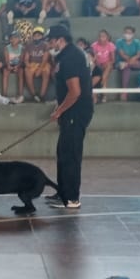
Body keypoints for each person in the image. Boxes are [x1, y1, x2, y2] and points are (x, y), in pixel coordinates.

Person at [46, 27, 93, 210]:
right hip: (69, 111)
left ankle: (71, 197)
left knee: (71, 154)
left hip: (76, 111)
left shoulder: (71, 56)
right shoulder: (64, 55)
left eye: (52, 40)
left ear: (61, 39)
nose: (50, 43)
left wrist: (59, 110)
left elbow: (75, 91)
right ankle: (62, 192)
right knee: (63, 152)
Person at [115, 26, 140, 101]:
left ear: (133, 34)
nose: (127, 34)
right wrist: (130, 61)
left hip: (132, 62)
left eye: (129, 33)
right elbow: (122, 54)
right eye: (126, 32)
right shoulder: (119, 42)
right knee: (126, 68)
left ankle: (127, 65)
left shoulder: (137, 42)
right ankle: (124, 92)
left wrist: (130, 61)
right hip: (121, 62)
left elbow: (139, 55)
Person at [23, 26, 51, 103]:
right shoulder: (29, 45)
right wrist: (27, 65)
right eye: (35, 35)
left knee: (46, 71)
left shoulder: (45, 45)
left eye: (39, 35)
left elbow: (45, 59)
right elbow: (26, 59)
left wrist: (40, 69)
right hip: (33, 63)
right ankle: (34, 95)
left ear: (42, 36)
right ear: (33, 36)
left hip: (43, 63)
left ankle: (42, 95)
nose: (37, 37)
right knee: (27, 71)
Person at [89, 29, 116, 101]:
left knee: (108, 66)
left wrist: (107, 63)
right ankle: (104, 95)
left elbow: (113, 59)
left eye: (103, 36)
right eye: (100, 36)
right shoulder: (94, 45)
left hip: (107, 65)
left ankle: (101, 82)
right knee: (105, 77)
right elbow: (93, 58)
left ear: (107, 37)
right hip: (97, 65)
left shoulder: (111, 45)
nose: (102, 38)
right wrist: (98, 63)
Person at [3, 30, 24, 103]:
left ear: (19, 39)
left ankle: (20, 94)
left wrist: (17, 66)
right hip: (9, 64)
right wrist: (9, 66)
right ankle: (4, 95)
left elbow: (21, 60)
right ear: (10, 39)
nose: (14, 40)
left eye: (16, 38)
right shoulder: (7, 48)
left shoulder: (21, 48)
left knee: (21, 72)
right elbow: (6, 60)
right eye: (12, 38)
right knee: (5, 72)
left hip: (18, 65)